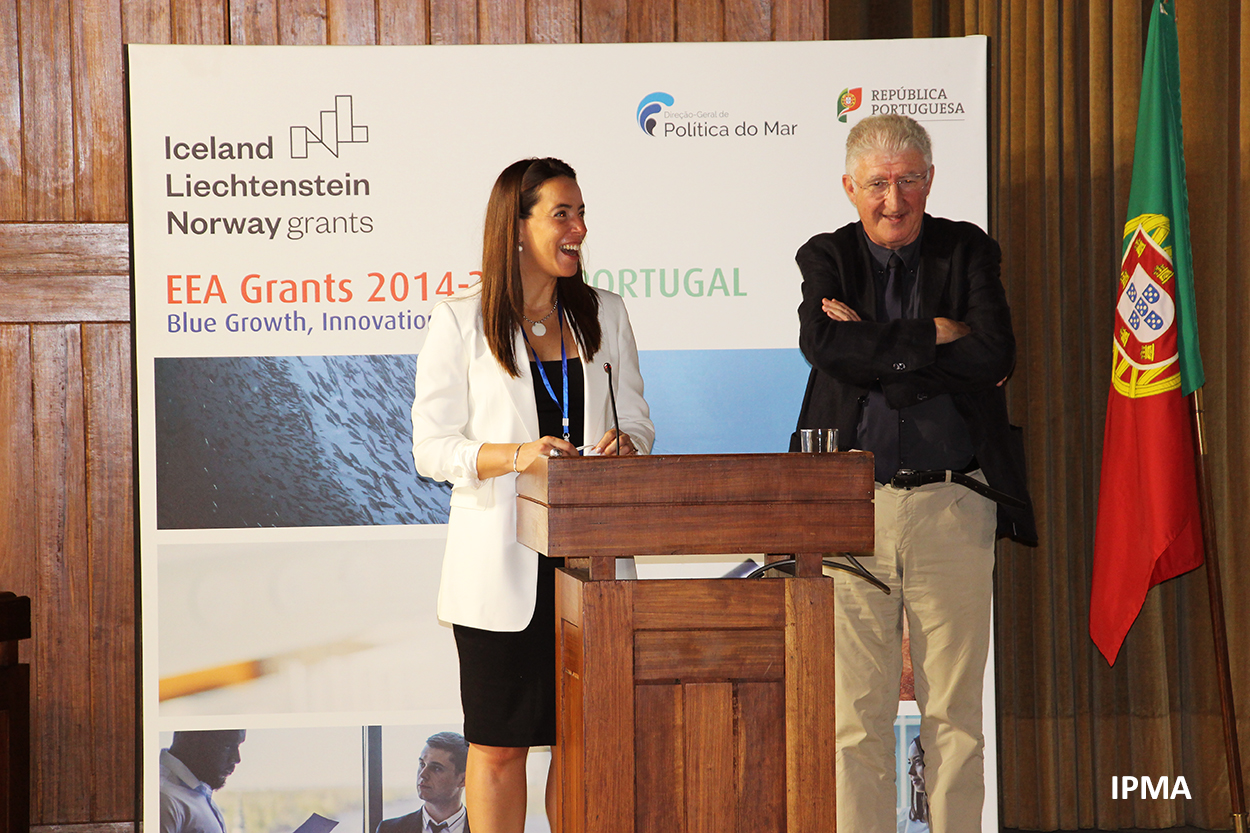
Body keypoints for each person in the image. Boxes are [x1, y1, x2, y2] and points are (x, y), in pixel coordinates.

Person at [793, 113, 1036, 832]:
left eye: (907, 180)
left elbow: (994, 355)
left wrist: (875, 349)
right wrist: (935, 334)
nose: (892, 199)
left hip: (953, 506)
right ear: (849, 187)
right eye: (877, 183)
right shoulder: (826, 256)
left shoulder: (968, 250)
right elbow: (824, 346)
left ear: (930, 181)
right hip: (850, 509)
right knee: (853, 718)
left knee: (954, 714)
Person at [411, 157, 654, 833]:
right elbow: (432, 448)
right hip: (500, 567)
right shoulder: (461, 321)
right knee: (498, 749)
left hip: (591, 568)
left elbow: (637, 419)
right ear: (517, 227)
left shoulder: (605, 312)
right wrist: (519, 456)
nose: (579, 228)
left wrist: (627, 444)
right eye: (561, 214)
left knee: (584, 746)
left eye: (581, 213)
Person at [376, 732, 471, 833]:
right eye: (422, 764)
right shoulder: (389, 829)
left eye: (436, 768)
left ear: (463, 780)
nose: (422, 774)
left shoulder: (481, 828)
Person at [159, 729, 246, 833]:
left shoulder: (198, 793)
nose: (237, 759)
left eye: (237, 746)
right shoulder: (164, 798)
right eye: (227, 746)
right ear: (191, 738)